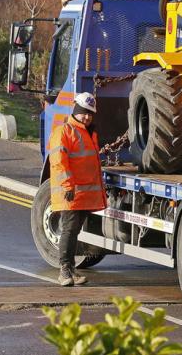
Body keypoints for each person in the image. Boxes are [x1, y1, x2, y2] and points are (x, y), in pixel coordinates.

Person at [48, 92, 106, 286]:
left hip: (82, 194)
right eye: (83, 113)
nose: (87, 117)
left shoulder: (90, 132)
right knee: (69, 230)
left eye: (90, 113)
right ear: (76, 111)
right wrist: (67, 186)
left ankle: (71, 270)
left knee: (73, 232)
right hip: (70, 192)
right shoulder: (64, 131)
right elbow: (58, 162)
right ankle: (64, 271)